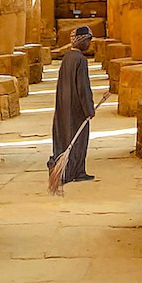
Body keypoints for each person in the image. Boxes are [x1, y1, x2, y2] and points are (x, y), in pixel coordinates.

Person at [49, 26, 97, 185]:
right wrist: (89, 109)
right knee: (79, 139)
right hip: (77, 109)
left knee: (65, 138)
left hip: (64, 106)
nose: (89, 44)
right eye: (88, 40)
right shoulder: (80, 60)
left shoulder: (67, 58)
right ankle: (77, 171)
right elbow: (83, 88)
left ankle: (66, 171)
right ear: (81, 41)